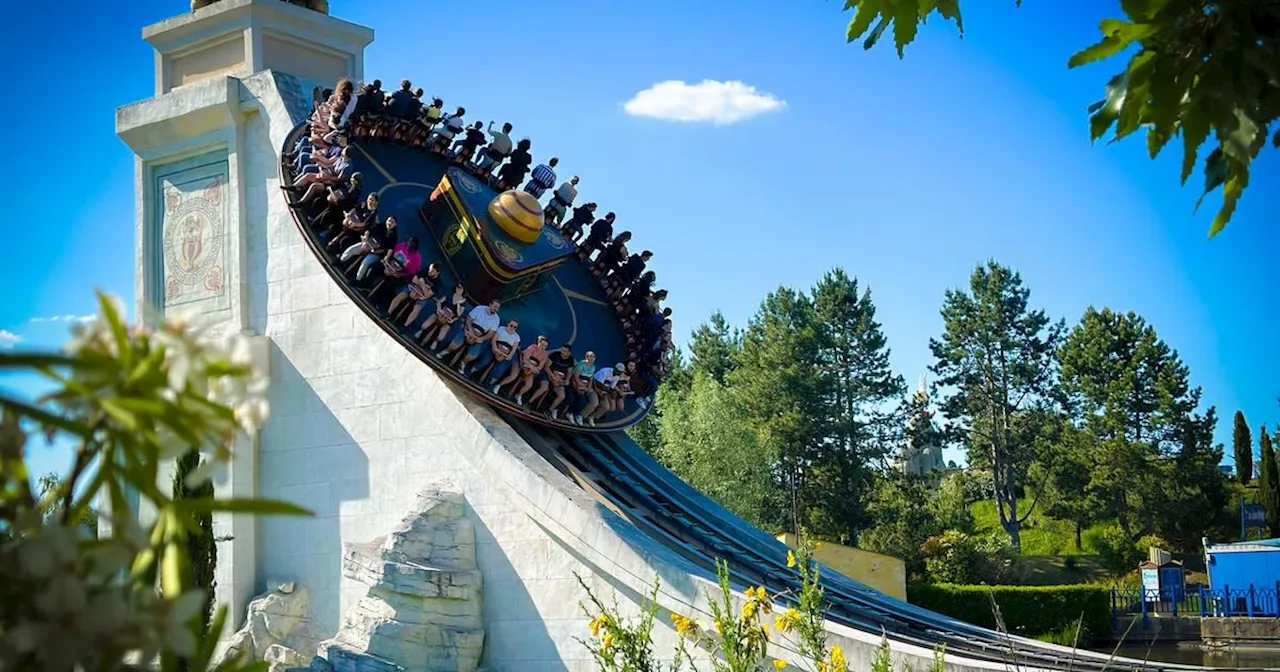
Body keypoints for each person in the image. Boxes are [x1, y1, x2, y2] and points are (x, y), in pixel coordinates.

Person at [442, 299, 501, 374]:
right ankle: (446, 351)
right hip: (468, 328)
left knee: (473, 355)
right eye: (495, 306)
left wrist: (480, 338)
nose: (496, 309)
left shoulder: (497, 319)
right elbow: (469, 319)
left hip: (480, 336)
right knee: (455, 344)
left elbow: (490, 333)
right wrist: (470, 331)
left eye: (497, 308)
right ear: (490, 304)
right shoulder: (480, 308)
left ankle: (463, 363)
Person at [495, 334, 548, 405]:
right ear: (539, 343)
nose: (543, 347)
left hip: (529, 368)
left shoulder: (545, 353)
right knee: (513, 376)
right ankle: (498, 385)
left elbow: (540, 367)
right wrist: (531, 367)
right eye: (542, 344)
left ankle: (518, 395)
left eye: (545, 346)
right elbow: (525, 360)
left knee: (529, 385)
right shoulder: (532, 347)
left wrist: (531, 369)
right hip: (520, 362)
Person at [528, 343, 575, 419]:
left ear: (569, 353)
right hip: (548, 374)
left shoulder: (570, 360)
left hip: (559, 379)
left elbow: (569, 372)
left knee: (562, 396)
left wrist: (567, 380)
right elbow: (546, 367)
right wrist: (552, 376)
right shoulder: (555, 355)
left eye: (564, 351)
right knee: (544, 387)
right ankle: (529, 402)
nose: (562, 352)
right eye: (562, 350)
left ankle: (549, 410)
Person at [418, 283, 469, 350]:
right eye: (457, 287)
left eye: (460, 288)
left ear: (463, 290)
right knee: (424, 325)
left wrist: (458, 303)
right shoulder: (450, 294)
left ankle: (434, 342)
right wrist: (439, 309)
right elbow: (439, 302)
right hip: (440, 313)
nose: (458, 289)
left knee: (440, 337)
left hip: (449, 319)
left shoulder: (463, 302)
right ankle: (421, 334)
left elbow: (459, 314)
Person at [479, 318, 521, 387]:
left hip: (504, 355)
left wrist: (509, 356)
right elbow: (494, 339)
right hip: (495, 349)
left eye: (515, 327)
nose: (512, 328)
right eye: (511, 325)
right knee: (485, 361)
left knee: (500, 369)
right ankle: (472, 371)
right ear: (508, 324)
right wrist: (495, 348)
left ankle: (489, 384)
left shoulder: (517, 337)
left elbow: (514, 349)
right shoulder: (501, 329)